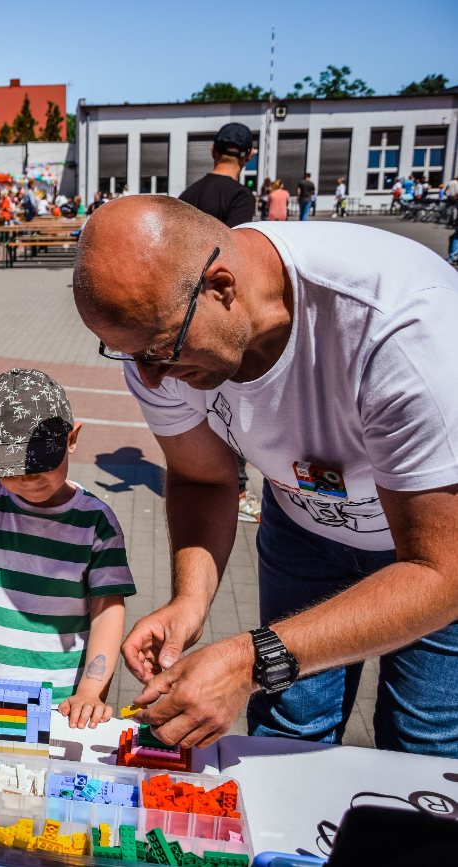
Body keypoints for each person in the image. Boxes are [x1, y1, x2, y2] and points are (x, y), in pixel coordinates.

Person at [73, 195, 458, 757]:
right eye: (127, 355)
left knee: (421, 741)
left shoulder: (404, 327)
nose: (151, 380)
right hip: (303, 529)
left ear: (222, 288)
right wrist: (191, 600)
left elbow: (441, 571)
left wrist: (250, 661)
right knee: (288, 727)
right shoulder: (160, 340)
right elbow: (203, 478)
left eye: (159, 351)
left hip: (428, 554)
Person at [0, 369, 134, 728]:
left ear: (72, 439)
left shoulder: (97, 523)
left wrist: (90, 691)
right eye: (10, 469)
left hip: (62, 699)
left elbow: (107, 612)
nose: (27, 479)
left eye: (39, 465)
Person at [178, 122, 261, 523]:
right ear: (249, 156)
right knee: (233, 405)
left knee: (196, 403)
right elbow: (238, 256)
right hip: (221, 316)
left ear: (213, 150)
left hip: (183, 317)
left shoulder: (188, 197)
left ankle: (200, 477)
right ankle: (237, 491)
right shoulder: (241, 197)